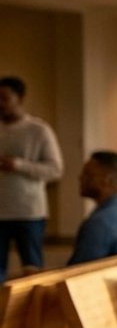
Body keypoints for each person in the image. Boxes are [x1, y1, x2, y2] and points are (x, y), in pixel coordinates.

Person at [0, 76, 62, 279]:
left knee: (32, 269)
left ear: (20, 98)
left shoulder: (39, 130)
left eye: (5, 98)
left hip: (28, 212)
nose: (1, 103)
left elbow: (55, 169)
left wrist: (18, 165)